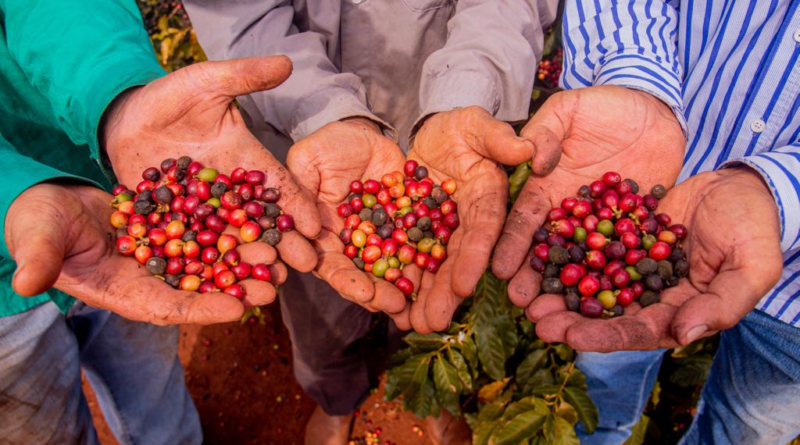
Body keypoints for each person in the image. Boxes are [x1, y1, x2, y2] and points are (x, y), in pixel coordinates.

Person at [182, 0, 560, 443]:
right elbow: (241, 17)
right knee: (320, 317)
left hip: (437, 109)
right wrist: (323, 111)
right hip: (306, 146)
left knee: (425, 298)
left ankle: (426, 392)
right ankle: (336, 400)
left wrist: (468, 93)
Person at [0, 0, 320, 442]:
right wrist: (11, 194)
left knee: (154, 391)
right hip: (8, 302)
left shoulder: (151, 219)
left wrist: (114, 92)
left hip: (104, 214)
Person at [493, 1, 800, 444]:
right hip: (670, 166)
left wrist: (778, 190)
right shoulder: (634, 236)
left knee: (746, 428)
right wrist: (633, 79)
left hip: (792, 303)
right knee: (606, 375)